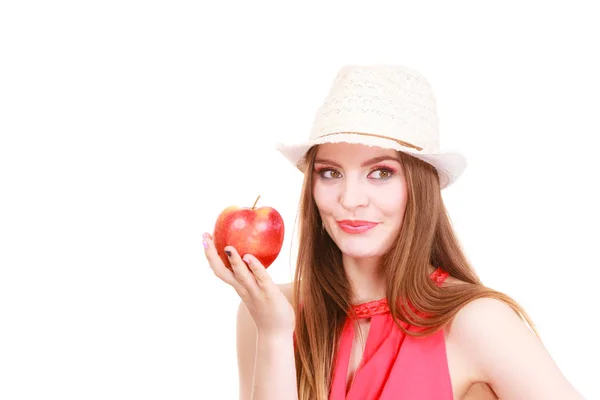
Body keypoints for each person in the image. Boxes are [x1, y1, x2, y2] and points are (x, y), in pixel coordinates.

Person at [202, 65, 584, 399]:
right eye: (330, 173)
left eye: (381, 172)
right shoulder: (266, 315)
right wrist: (274, 334)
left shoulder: (478, 323)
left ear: (418, 187)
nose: (351, 199)